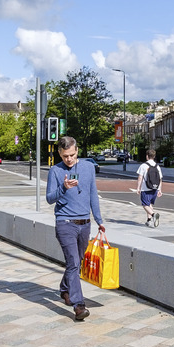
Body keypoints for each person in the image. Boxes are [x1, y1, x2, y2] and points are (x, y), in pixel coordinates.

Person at [45, 136, 104, 321]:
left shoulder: (88, 168)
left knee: (76, 262)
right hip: (65, 224)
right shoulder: (55, 171)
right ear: (59, 154)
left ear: (77, 151)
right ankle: (79, 306)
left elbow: (93, 194)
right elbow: (49, 198)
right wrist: (63, 187)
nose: (68, 159)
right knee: (73, 263)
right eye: (64, 156)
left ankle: (64, 289)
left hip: (84, 223)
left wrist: (99, 220)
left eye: (71, 155)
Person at [135, 152, 163, 227]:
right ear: (154, 156)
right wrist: (160, 189)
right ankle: (149, 221)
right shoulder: (157, 166)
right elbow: (160, 179)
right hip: (155, 188)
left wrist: (138, 188)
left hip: (146, 188)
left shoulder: (143, 166)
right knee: (150, 204)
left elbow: (140, 178)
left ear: (147, 156)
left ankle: (154, 215)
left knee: (145, 205)